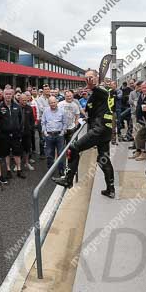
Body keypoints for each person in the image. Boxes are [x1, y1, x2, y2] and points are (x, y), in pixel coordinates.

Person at [53, 69, 116, 198]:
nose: (89, 80)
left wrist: (94, 85)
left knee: (74, 147)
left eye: (91, 77)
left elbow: (101, 91)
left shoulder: (104, 91)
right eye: (86, 77)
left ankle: (68, 179)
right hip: (104, 132)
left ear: (97, 78)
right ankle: (111, 189)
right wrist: (87, 118)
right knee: (104, 160)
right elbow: (92, 113)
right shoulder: (93, 95)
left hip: (99, 130)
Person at [0, 87, 25, 179]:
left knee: (17, 153)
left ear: (12, 95)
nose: (8, 96)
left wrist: (20, 132)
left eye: (10, 94)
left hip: (16, 134)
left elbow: (21, 120)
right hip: (4, 136)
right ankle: (8, 170)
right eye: (6, 94)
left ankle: (19, 170)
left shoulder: (17, 106)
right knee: (6, 153)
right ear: (3, 95)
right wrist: (0, 133)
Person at [41, 96, 67, 176]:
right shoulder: (46, 111)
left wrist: (62, 132)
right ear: (49, 103)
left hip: (59, 135)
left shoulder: (62, 111)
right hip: (49, 135)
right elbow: (43, 122)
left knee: (60, 154)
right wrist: (45, 132)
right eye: (51, 103)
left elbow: (65, 123)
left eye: (54, 102)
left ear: (57, 102)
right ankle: (50, 169)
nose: (53, 104)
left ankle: (61, 170)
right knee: (49, 154)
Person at [18, 93, 36, 172]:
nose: (24, 102)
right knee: (18, 149)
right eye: (23, 100)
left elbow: (32, 120)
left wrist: (31, 128)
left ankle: (27, 163)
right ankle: (17, 165)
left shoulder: (29, 108)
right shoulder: (16, 108)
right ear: (19, 100)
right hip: (18, 133)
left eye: (26, 100)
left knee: (27, 149)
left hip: (27, 132)